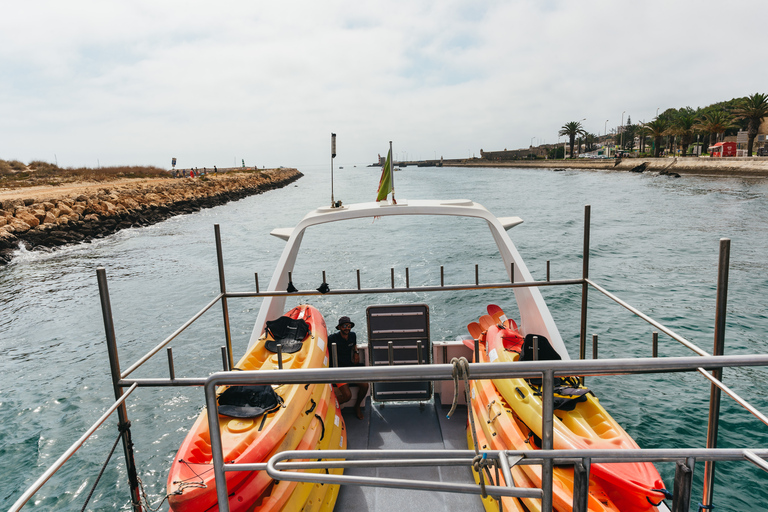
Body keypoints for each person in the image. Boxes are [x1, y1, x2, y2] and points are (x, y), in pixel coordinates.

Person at [328, 316, 369, 419]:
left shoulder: (352, 336)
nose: (347, 328)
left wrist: (356, 352)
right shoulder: (332, 338)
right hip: (337, 371)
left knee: (365, 386)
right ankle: (329, 407)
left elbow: (354, 345)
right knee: (347, 396)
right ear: (340, 327)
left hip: (349, 368)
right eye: (345, 326)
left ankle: (357, 406)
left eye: (349, 326)